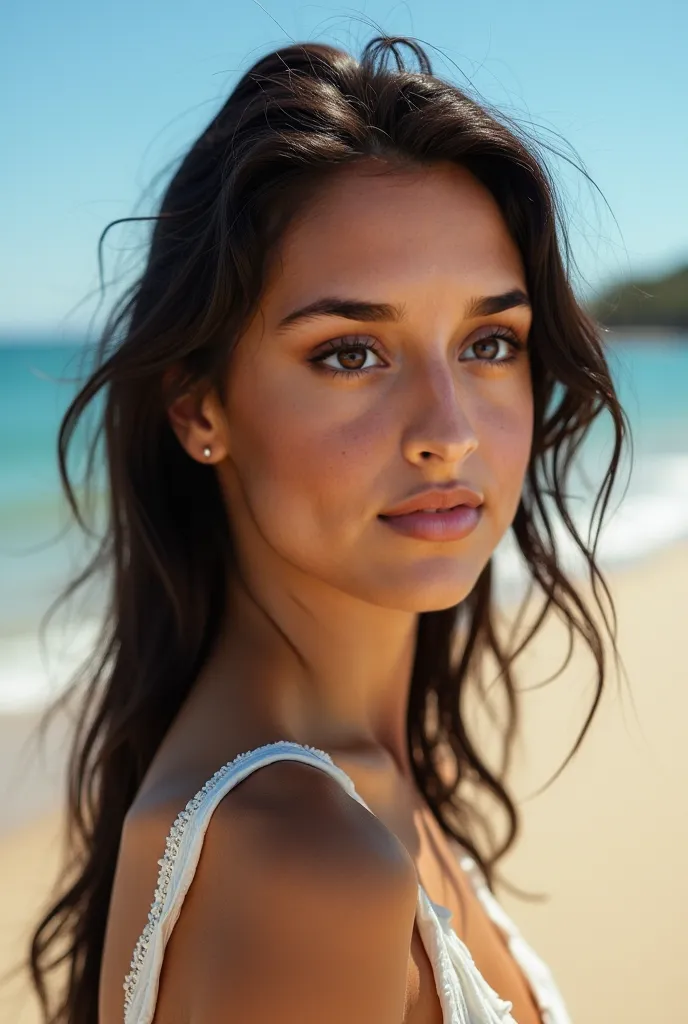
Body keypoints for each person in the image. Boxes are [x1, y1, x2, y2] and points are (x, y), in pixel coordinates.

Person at [29, 35, 627, 1024]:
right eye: (351, 352)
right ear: (198, 410)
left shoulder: (338, 790)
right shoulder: (296, 858)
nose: (447, 431)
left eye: (488, 343)